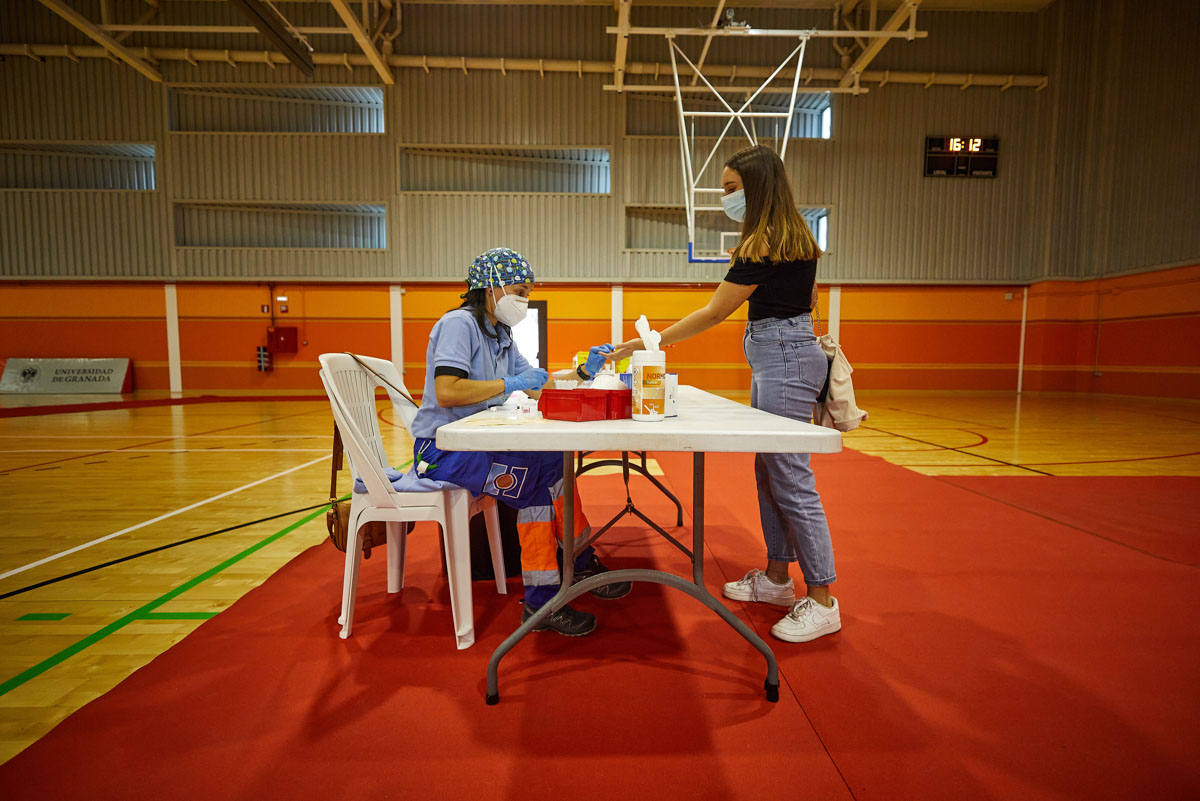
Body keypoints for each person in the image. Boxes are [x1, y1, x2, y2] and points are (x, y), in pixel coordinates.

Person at [605, 145, 840, 643]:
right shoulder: (792, 237)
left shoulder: (766, 242)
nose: (725, 197)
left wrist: (645, 341)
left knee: (791, 476)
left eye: (731, 188)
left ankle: (822, 599)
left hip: (785, 356)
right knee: (770, 469)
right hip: (779, 352)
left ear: (756, 189)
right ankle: (778, 577)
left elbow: (714, 312)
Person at [409, 247, 630, 638]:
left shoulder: (501, 334)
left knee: (555, 465)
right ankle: (541, 603)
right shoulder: (459, 325)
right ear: (491, 286)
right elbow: (446, 391)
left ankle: (580, 561)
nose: (524, 301)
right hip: (441, 451)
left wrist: (584, 371)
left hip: (475, 444)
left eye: (528, 293)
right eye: (520, 291)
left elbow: (539, 382)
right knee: (533, 487)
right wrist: (508, 384)